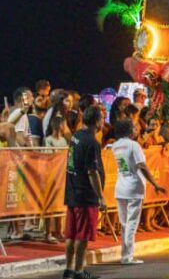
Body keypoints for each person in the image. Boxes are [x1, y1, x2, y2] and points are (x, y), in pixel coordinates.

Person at [107, 120, 166, 264]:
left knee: (124, 223)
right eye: (134, 128)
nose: (137, 130)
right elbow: (142, 166)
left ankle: (125, 255)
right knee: (132, 223)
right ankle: (128, 256)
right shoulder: (134, 145)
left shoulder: (116, 145)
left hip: (121, 187)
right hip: (134, 186)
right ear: (128, 130)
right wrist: (155, 184)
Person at [63, 105, 107, 279]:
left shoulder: (77, 136)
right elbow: (92, 172)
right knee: (82, 236)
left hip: (72, 192)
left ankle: (69, 269)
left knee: (71, 234)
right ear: (97, 121)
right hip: (85, 195)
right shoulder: (91, 142)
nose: (103, 121)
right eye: (102, 118)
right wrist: (101, 197)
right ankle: (79, 271)